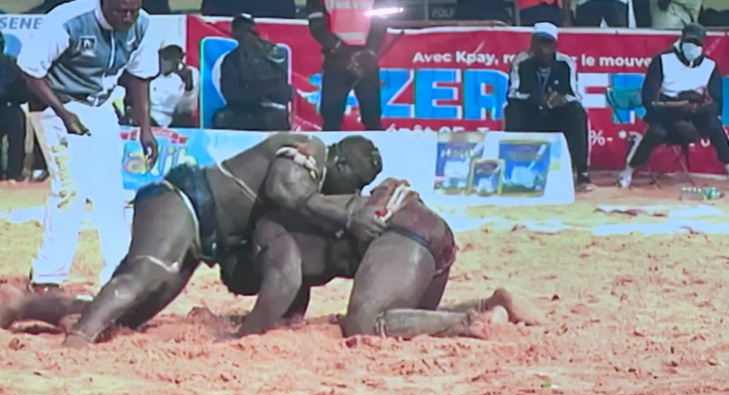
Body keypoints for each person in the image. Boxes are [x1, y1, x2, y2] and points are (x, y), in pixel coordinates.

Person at [0, 133, 387, 348]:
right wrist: (348, 215)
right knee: (143, 277)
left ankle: (24, 307)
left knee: (129, 312)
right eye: (357, 180)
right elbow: (283, 189)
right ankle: (76, 346)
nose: (355, 190)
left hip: (201, 232)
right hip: (183, 201)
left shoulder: (314, 192)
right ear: (339, 164)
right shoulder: (312, 150)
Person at [219, 176, 540, 339]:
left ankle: (471, 323)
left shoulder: (268, 230)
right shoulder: (288, 227)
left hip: (403, 234)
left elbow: (284, 280)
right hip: (425, 234)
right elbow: (290, 297)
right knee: (407, 319)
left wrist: (244, 332)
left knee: (364, 322)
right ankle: (488, 305)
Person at [16, 0, 159, 295]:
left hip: (101, 106)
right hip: (55, 105)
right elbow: (31, 71)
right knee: (71, 188)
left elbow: (140, 79)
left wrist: (145, 128)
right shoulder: (67, 20)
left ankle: (118, 274)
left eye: (133, 10)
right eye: (121, 10)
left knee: (111, 192)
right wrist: (64, 114)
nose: (127, 17)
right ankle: (46, 277)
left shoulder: (143, 25)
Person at [617, 23, 728, 188]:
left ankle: (727, 164)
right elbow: (648, 99)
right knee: (656, 132)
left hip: (694, 111)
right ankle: (629, 169)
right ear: (681, 41)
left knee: (713, 124)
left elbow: (717, 103)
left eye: (697, 44)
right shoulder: (662, 60)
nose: (693, 47)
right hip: (666, 111)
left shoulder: (709, 66)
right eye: (689, 42)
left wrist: (697, 109)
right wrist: (675, 114)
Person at [504, 22, 594, 192]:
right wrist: (535, 99)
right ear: (532, 44)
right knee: (512, 110)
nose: (543, 50)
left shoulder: (565, 63)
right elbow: (513, 93)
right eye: (539, 43)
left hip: (556, 115)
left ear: (555, 46)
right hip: (530, 112)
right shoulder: (521, 61)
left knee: (577, 112)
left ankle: (581, 172)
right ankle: (512, 167)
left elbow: (575, 95)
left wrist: (561, 100)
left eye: (547, 44)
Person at [306, 0, 387, 131]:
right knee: (369, 118)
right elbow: (380, 23)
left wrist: (340, 49)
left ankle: (333, 149)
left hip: (338, 59)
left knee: (334, 119)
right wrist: (368, 51)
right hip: (358, 60)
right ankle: (371, 150)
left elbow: (317, 27)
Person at [213, 14, 292, 131]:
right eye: (241, 30)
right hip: (240, 109)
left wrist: (263, 92)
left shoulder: (271, 52)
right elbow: (230, 93)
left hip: (267, 108)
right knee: (221, 117)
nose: (246, 35)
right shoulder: (231, 59)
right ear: (235, 35)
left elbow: (284, 90)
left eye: (248, 30)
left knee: (277, 117)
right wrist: (256, 93)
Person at [146, 38, 199, 128]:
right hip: (151, 118)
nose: (171, 58)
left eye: (175, 55)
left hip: (176, 119)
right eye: (167, 55)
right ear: (159, 54)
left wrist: (188, 88)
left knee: (185, 119)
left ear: (182, 56)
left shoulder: (191, 73)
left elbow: (186, 109)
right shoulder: (149, 72)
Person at [0, 31, 29, 183]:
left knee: (16, 129)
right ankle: (14, 173)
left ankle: (14, 172)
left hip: (10, 107)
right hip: (11, 107)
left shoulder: (13, 64)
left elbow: (23, 90)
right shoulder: (13, 63)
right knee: (16, 137)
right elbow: (23, 92)